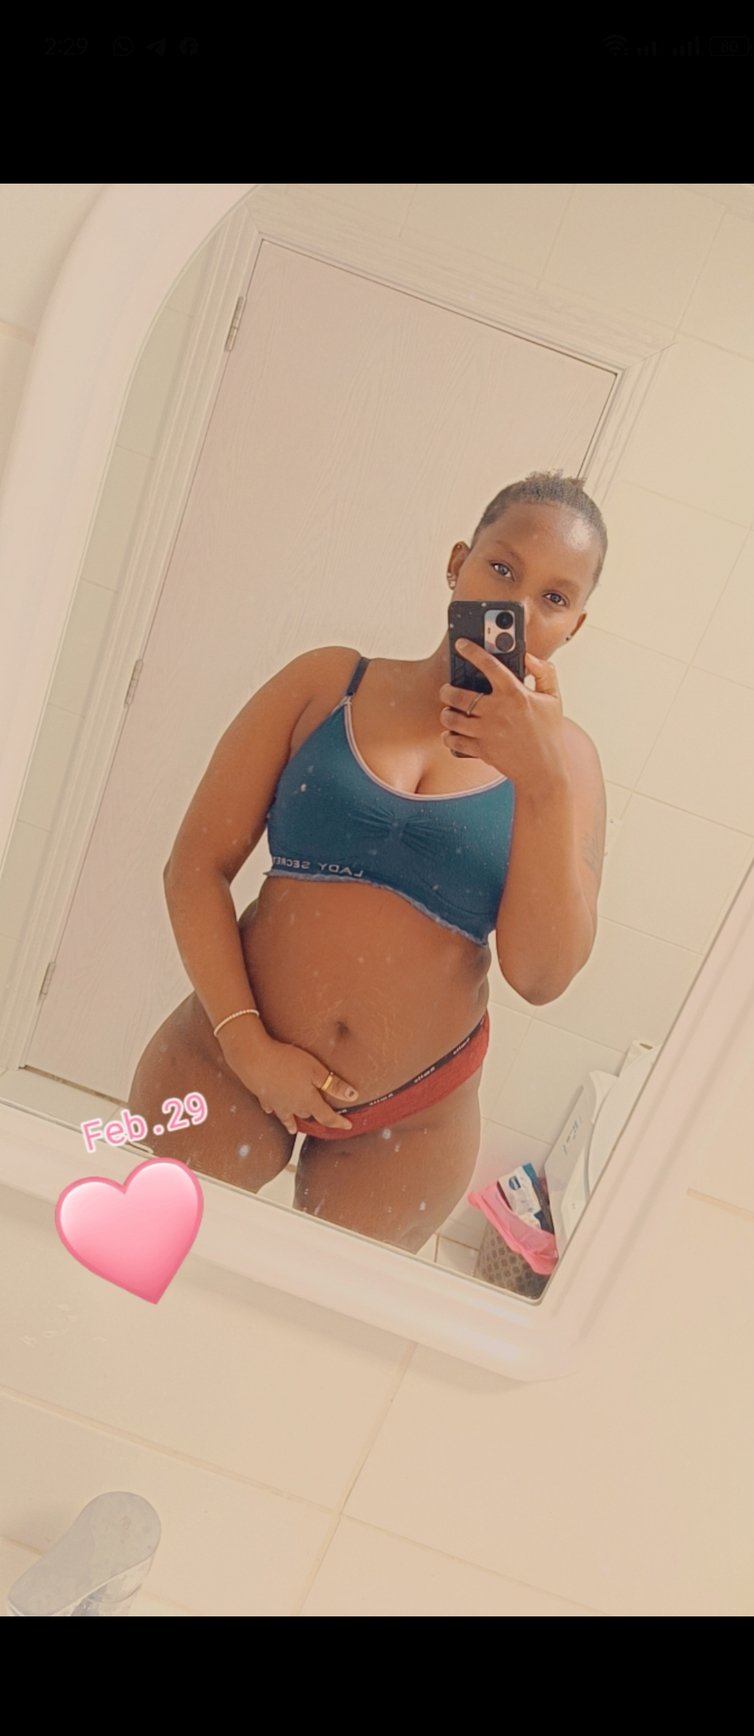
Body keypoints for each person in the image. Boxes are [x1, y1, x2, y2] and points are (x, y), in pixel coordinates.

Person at [127, 472, 609, 1252]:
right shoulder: (326, 684)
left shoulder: (570, 770)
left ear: (574, 626)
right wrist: (248, 1045)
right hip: (224, 1059)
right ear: (457, 562)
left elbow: (541, 976)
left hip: (411, 1120)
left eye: (554, 598)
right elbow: (194, 866)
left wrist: (542, 780)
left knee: (308, 1321)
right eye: (502, 568)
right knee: (132, 1265)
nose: (519, 607)